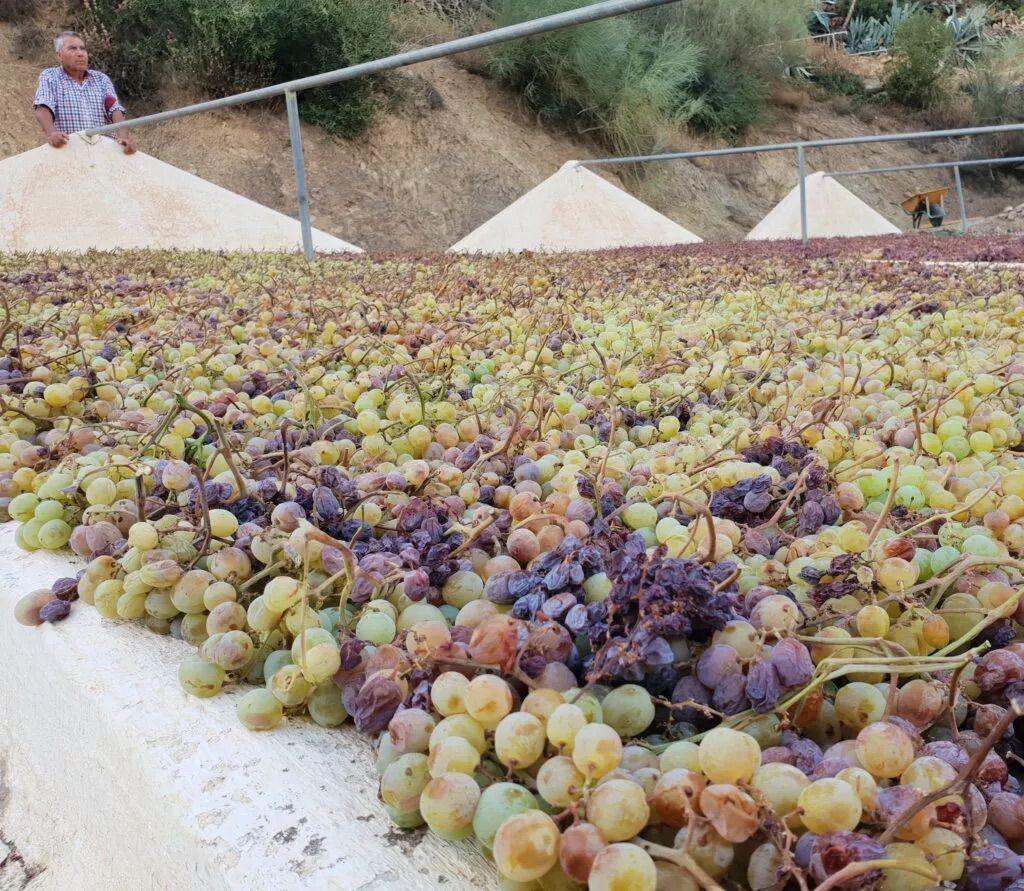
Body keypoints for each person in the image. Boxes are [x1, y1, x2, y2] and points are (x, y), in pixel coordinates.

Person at [33, 31, 135, 154]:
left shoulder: (101, 79)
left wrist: (123, 136)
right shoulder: (50, 76)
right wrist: (52, 133)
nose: (80, 53)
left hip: (103, 152)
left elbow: (115, 109)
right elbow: (43, 108)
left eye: (82, 49)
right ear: (59, 55)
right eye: (72, 49)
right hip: (69, 151)